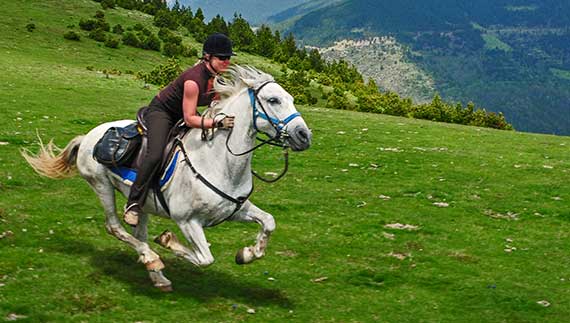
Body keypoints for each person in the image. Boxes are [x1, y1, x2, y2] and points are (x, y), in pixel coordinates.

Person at [124, 33, 236, 226]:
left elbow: (218, 101)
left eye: (228, 57)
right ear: (208, 57)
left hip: (183, 113)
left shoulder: (216, 77)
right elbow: (190, 118)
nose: (226, 61)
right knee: (156, 154)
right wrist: (216, 123)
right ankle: (133, 204)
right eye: (222, 58)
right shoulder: (193, 81)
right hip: (162, 113)